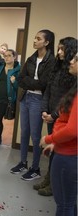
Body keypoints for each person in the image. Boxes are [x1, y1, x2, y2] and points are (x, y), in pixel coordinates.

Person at [10, 29, 56, 181]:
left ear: (47, 42)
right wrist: (33, 84)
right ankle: (23, 162)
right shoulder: (31, 58)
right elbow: (21, 78)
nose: (34, 41)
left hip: (38, 100)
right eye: (35, 38)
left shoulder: (51, 61)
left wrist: (31, 83)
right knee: (24, 133)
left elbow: (44, 84)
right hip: (26, 97)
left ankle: (35, 168)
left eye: (38, 38)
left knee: (35, 136)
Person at [34, 37, 77, 196]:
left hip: (61, 118)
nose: (59, 52)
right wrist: (45, 110)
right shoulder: (57, 68)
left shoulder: (73, 73)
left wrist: (53, 115)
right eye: (58, 49)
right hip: (51, 116)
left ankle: (54, 184)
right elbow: (48, 91)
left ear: (71, 52)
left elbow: (68, 102)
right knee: (53, 151)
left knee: (58, 150)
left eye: (62, 49)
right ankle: (48, 179)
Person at [40, 52, 77, 216]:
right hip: (66, 152)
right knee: (69, 202)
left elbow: (72, 129)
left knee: (64, 205)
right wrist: (55, 143)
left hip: (69, 158)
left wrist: (49, 138)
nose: (71, 61)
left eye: (76, 59)